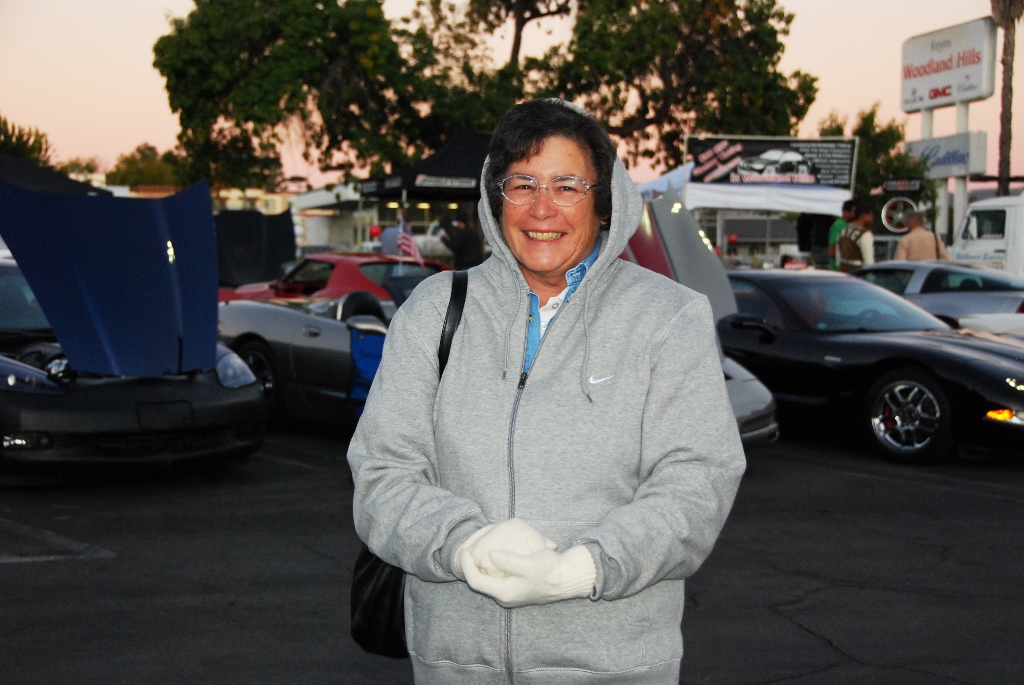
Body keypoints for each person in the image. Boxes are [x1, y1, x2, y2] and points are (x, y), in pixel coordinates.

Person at [348, 99, 746, 684]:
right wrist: (464, 546)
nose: (542, 208)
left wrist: (581, 569)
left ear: (603, 201)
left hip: (613, 667)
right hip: (458, 667)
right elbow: (383, 473)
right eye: (522, 183)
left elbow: (697, 484)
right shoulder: (435, 311)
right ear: (494, 196)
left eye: (568, 185)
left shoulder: (669, 317)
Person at [836, 204, 875, 273]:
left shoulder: (843, 230)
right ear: (862, 216)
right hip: (858, 274)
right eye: (870, 215)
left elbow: (838, 258)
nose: (872, 219)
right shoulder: (864, 234)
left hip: (843, 272)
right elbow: (869, 262)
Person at [827, 199, 859, 271]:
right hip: (837, 269)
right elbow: (832, 249)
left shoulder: (850, 226)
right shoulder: (839, 225)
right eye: (854, 212)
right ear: (845, 211)